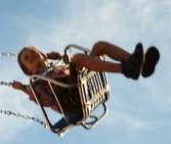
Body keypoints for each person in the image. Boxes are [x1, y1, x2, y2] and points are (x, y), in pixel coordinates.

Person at [11, 42, 159, 114]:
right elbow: (46, 101)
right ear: (27, 70)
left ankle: (140, 64)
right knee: (78, 58)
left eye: (33, 52)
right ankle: (126, 69)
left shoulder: (57, 67)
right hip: (71, 102)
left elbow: (72, 71)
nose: (31, 57)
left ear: (42, 54)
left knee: (99, 46)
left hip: (80, 86)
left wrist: (63, 59)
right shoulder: (36, 83)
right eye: (27, 58)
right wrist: (24, 89)